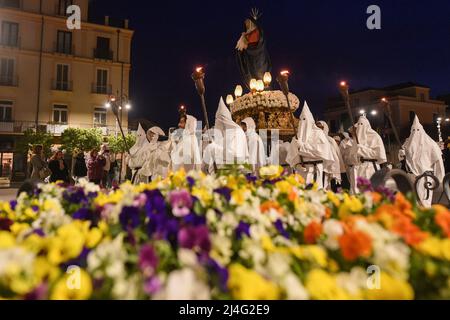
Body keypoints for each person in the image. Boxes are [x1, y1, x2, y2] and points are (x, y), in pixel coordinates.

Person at [286, 102, 333, 188]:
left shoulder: (319, 134)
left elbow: (321, 152)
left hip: (315, 169)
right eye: (301, 120)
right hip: (301, 170)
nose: (303, 123)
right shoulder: (296, 137)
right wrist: (297, 162)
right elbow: (292, 157)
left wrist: (303, 147)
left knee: (315, 192)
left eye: (305, 120)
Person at [401, 115, 445, 207]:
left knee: (424, 201)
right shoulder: (407, 143)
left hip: (425, 178)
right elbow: (402, 158)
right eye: (413, 130)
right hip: (411, 176)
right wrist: (402, 154)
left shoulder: (431, 144)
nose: (415, 133)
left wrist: (439, 178)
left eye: (417, 130)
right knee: (412, 202)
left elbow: (438, 161)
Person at [345, 116, 387, 194]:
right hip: (357, 169)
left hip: (370, 167)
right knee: (357, 193)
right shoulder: (355, 139)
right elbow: (351, 158)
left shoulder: (375, 137)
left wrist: (362, 149)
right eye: (359, 125)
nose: (360, 128)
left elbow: (378, 154)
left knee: (370, 191)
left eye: (362, 125)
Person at [214, 97, 248, 166]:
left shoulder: (237, 132)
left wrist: (217, 151)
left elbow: (237, 155)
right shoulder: (225, 133)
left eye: (218, 121)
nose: (217, 124)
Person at [316, 121, 345, 191]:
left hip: (328, 166)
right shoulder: (312, 138)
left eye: (320, 127)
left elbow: (336, 153)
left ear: (324, 128)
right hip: (315, 164)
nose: (318, 129)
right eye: (317, 127)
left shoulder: (330, 140)